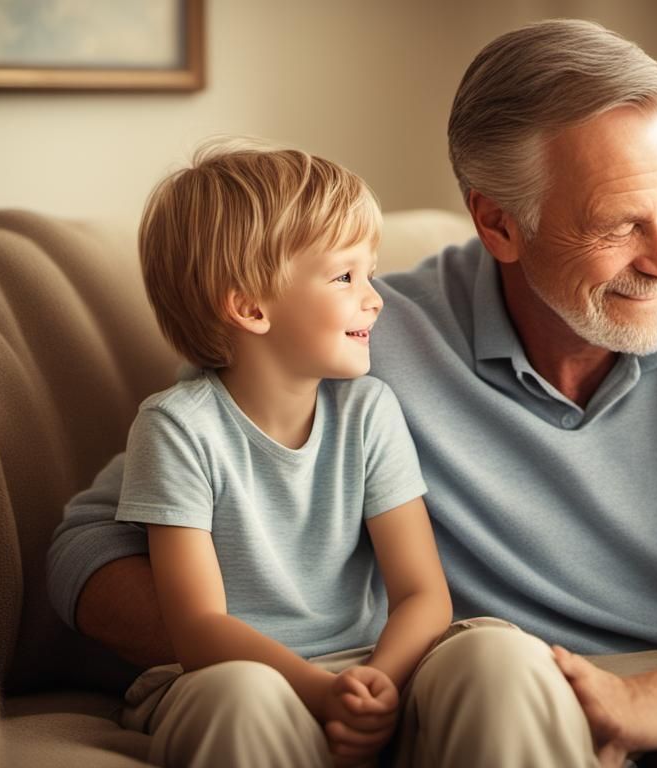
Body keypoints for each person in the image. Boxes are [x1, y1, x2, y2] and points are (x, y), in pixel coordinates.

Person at [49, 19, 657, 768]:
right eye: (620, 225)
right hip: (517, 711)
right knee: (497, 667)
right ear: (498, 223)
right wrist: (307, 672)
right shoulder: (367, 345)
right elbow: (89, 551)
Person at [104, 141, 455, 767]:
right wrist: (320, 693)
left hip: (367, 668)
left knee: (492, 654)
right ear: (249, 307)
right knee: (243, 698)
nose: (374, 298)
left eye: (370, 272)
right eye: (345, 276)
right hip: (230, 678)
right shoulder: (176, 428)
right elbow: (198, 630)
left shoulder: (369, 411)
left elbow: (423, 593)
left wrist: (375, 685)